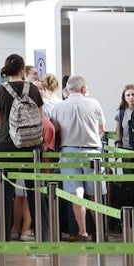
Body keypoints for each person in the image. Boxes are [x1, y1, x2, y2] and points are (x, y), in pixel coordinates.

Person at [0, 54, 43, 242]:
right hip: (32, 145)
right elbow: (40, 117)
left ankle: (4, 234)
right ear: (23, 69)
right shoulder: (33, 89)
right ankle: (40, 232)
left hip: (7, 143)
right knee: (35, 190)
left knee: (6, 191)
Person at [51, 74, 106, 241]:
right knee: (94, 194)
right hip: (93, 153)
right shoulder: (94, 103)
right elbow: (101, 129)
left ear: (68, 90)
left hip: (68, 152)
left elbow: (55, 131)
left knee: (76, 194)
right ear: (83, 88)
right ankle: (100, 232)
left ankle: (82, 232)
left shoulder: (59, 107)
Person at [113, 84, 134, 149]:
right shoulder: (121, 113)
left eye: (133, 94)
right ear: (124, 98)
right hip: (126, 148)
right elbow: (118, 130)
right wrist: (118, 143)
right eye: (128, 95)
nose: (131, 97)